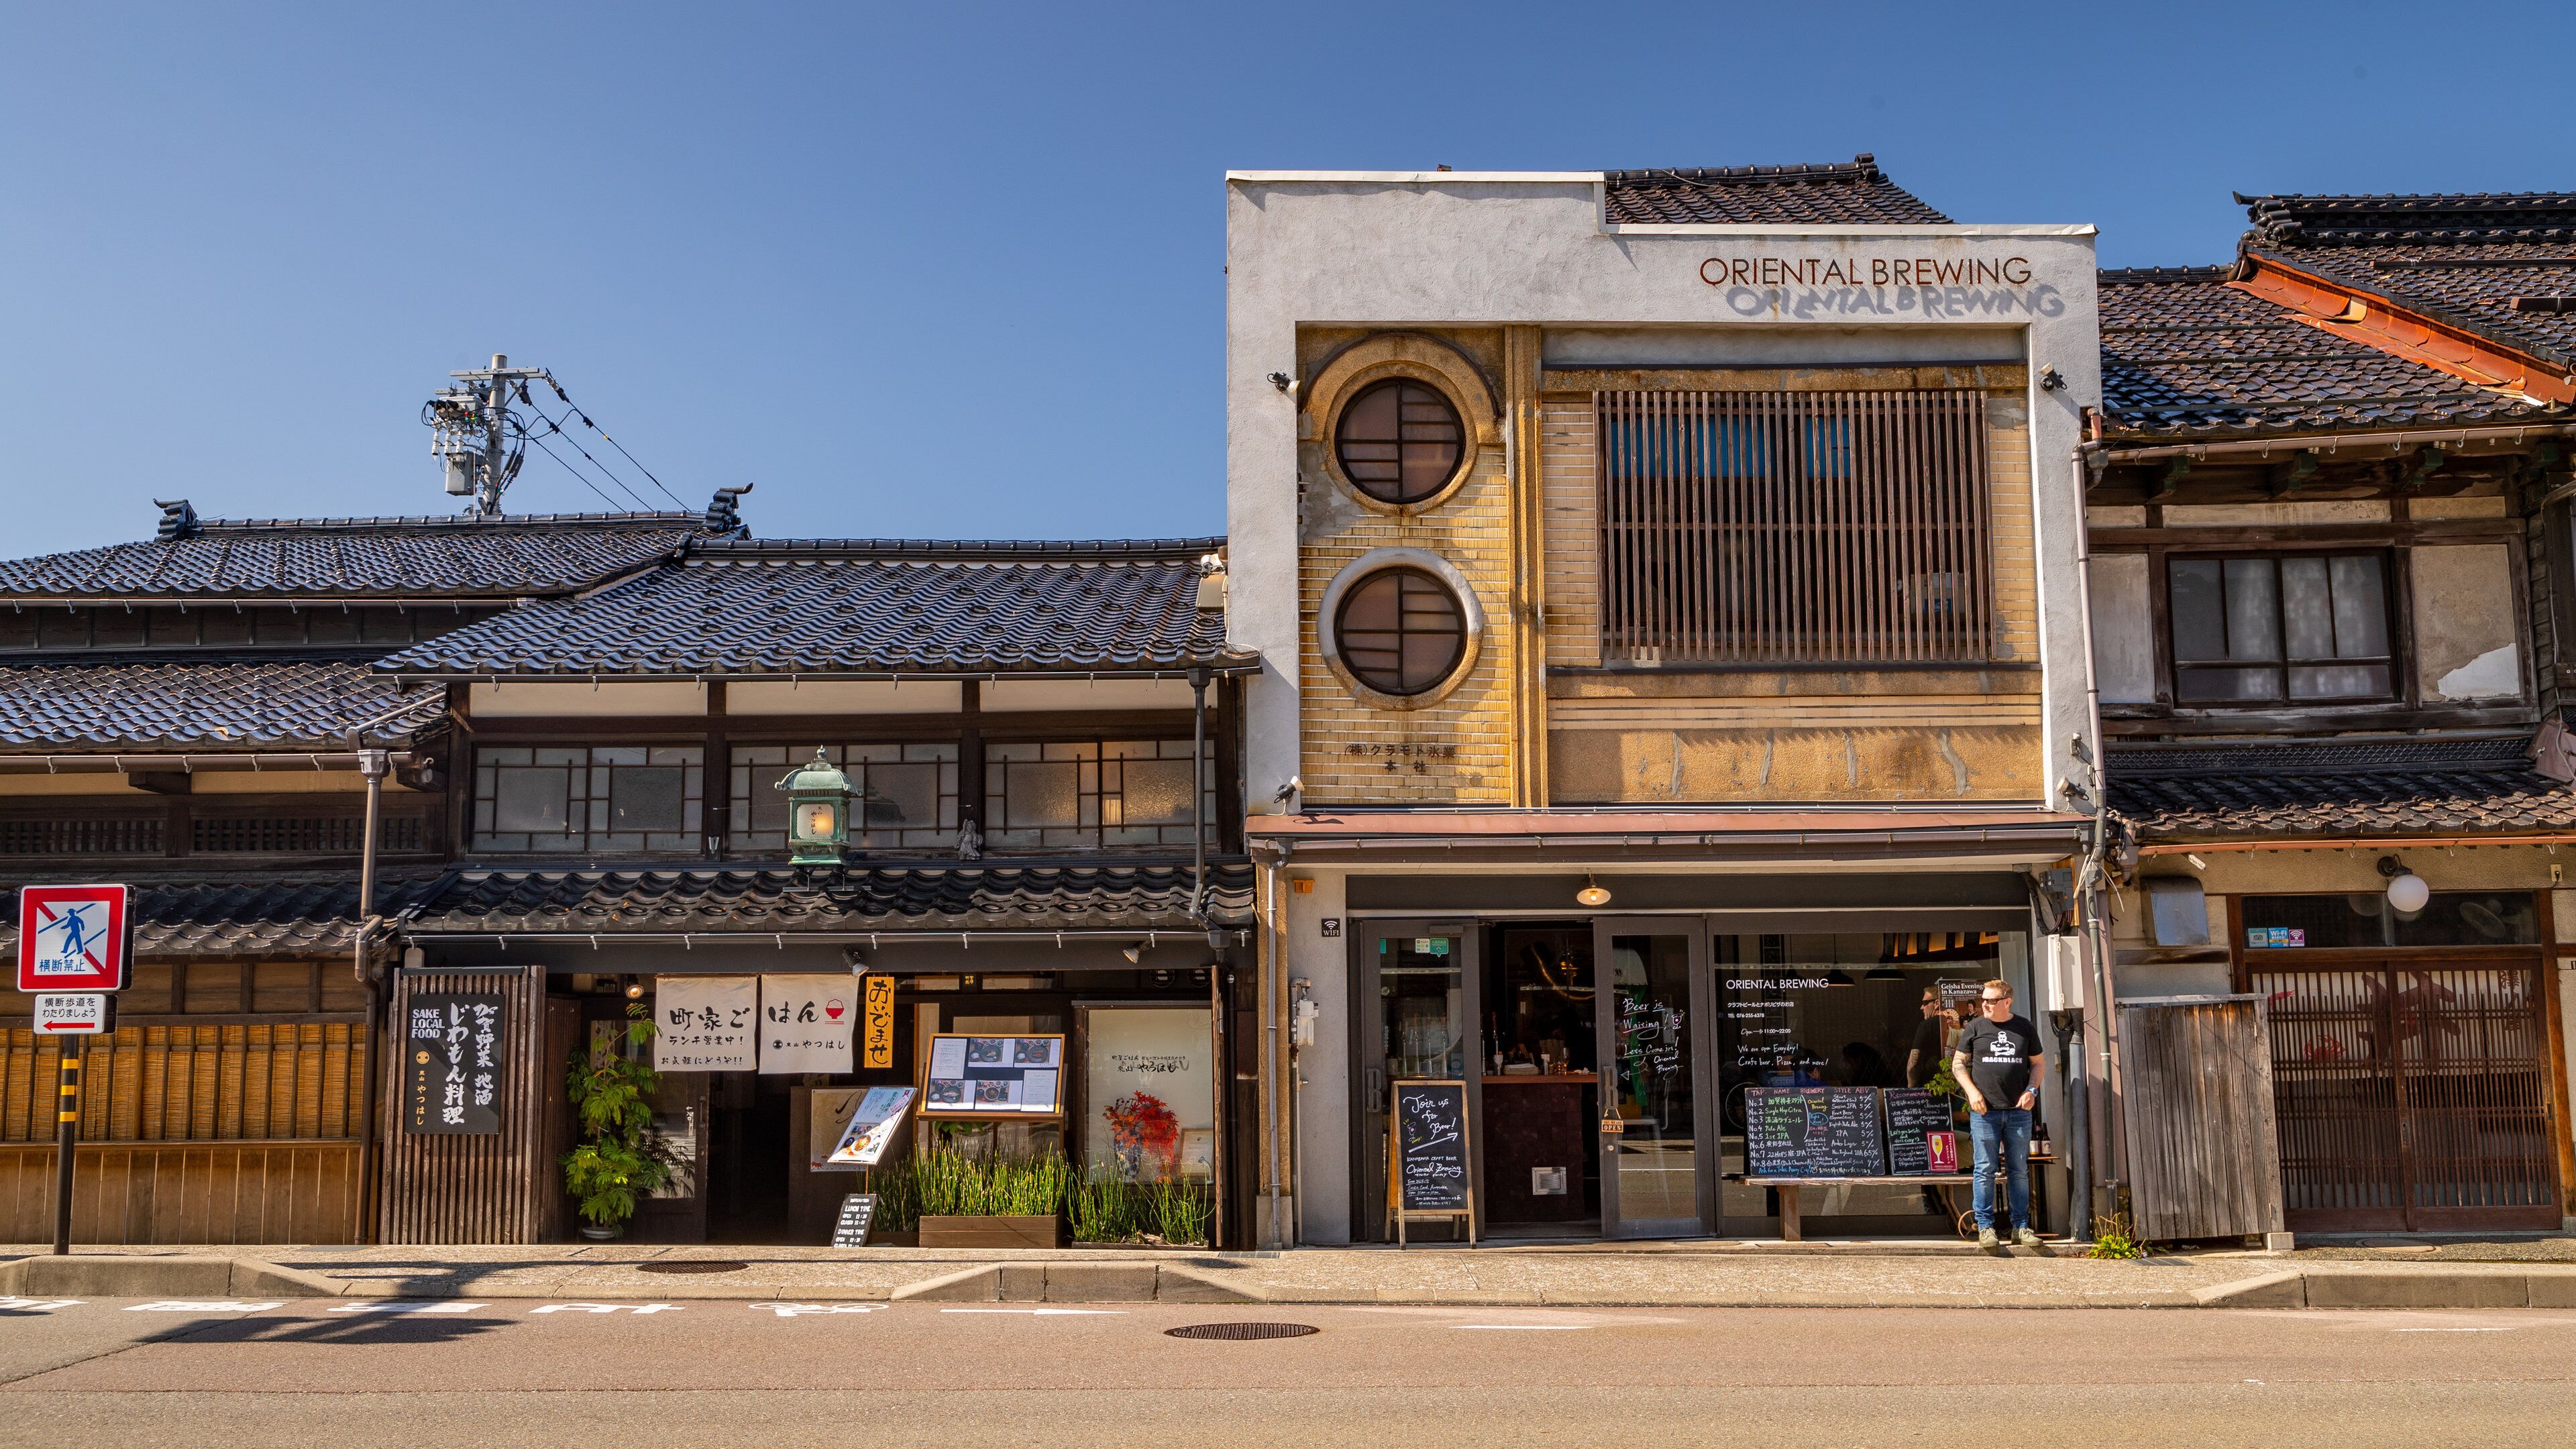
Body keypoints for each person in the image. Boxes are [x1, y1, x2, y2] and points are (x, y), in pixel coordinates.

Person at [1951, 979, 2045, 1252]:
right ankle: (1985, 1227)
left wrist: (2032, 1090)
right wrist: (1971, 1092)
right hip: (1985, 1112)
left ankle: (2020, 1227)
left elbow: (2038, 1064)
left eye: (1990, 1000)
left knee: (2018, 1171)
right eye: (1983, 1000)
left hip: (2018, 1112)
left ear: (2007, 1002)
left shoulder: (2024, 1027)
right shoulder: (1975, 1027)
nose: (1984, 1004)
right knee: (1984, 1170)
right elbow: (1958, 1062)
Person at [1904, 988, 1949, 1089]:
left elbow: (1914, 1062)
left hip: (1932, 1088)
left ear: (1937, 1003)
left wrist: (1912, 1089)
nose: (1922, 1007)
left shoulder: (1927, 1025)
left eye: (1925, 1003)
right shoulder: (1958, 1023)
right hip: (1957, 1087)